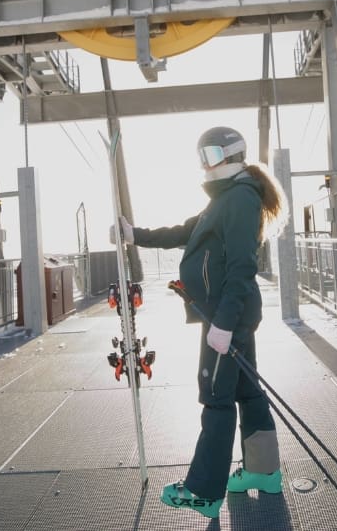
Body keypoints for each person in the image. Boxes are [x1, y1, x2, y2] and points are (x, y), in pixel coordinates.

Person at [111, 126, 287, 519]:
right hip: (227, 315)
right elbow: (182, 232)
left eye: (209, 155)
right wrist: (132, 234)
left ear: (232, 154)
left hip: (226, 317)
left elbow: (243, 265)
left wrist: (223, 325)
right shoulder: (224, 198)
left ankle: (204, 491)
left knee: (215, 396)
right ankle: (263, 472)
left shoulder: (239, 198)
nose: (203, 164)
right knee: (246, 390)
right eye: (200, 156)